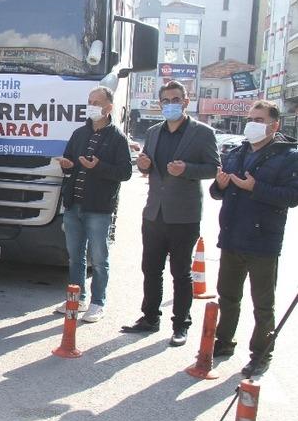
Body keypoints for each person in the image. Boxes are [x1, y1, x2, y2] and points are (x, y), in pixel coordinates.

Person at [121, 80, 219, 346]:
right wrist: (143, 165)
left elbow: (213, 168)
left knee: (181, 272)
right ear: (160, 103)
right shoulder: (153, 132)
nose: (170, 104)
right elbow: (148, 166)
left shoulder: (202, 133)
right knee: (150, 268)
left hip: (184, 215)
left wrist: (186, 169)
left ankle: (181, 325)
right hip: (154, 212)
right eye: (166, 100)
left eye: (176, 99)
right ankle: (150, 317)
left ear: (186, 102)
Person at [210, 100, 298, 377]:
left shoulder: (289, 157)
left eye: (259, 119)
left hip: (263, 240)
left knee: (262, 303)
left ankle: (261, 353)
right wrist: (219, 186)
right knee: (228, 296)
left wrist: (256, 187)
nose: (252, 124)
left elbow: (291, 197)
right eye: (250, 118)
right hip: (232, 236)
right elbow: (217, 191)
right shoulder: (237, 152)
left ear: (274, 125)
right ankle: (223, 342)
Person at [54, 86, 132, 322]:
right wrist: (67, 165)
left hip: (98, 208)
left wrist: (97, 166)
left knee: (98, 258)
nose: (91, 106)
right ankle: (77, 298)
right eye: (89, 101)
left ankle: (98, 302)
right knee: (75, 256)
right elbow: (70, 162)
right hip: (74, 204)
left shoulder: (117, 138)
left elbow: (125, 172)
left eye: (96, 102)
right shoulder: (79, 133)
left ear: (108, 107)